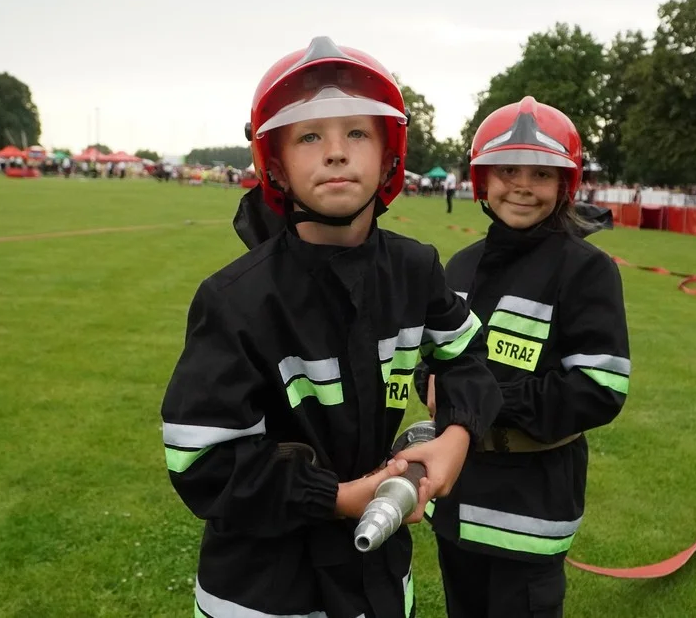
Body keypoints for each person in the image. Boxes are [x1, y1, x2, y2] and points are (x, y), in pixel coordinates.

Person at [161, 36, 503, 618]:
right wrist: (339, 498)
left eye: (357, 133)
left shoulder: (415, 269)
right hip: (264, 593)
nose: (336, 152)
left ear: (392, 157)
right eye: (310, 135)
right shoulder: (235, 300)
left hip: (379, 583)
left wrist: (457, 436)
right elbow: (202, 463)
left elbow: (468, 362)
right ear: (275, 163)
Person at [412, 96, 629, 618]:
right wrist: (433, 385)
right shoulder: (460, 267)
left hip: (530, 511)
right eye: (507, 170)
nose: (523, 186)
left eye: (542, 172)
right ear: (482, 179)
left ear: (565, 184)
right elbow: (430, 364)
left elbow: (599, 389)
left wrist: (484, 400)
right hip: (457, 501)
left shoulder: (586, 270)